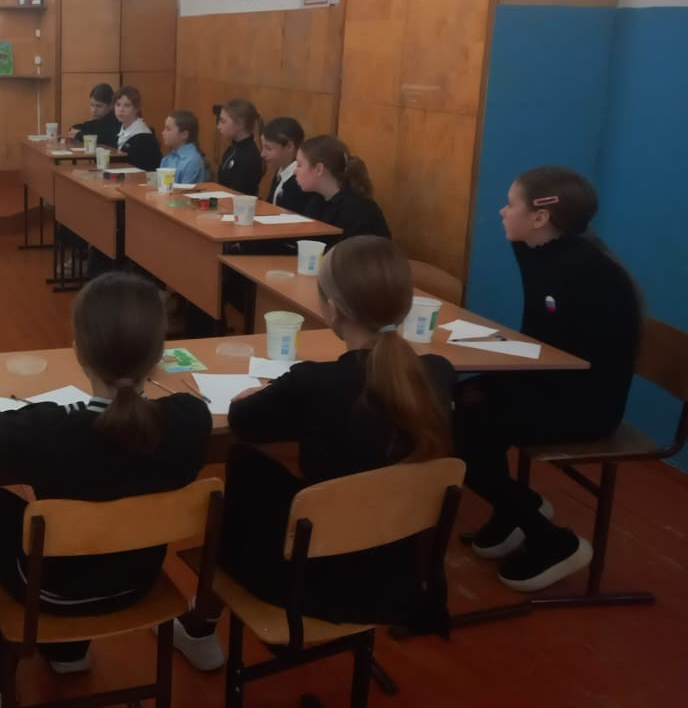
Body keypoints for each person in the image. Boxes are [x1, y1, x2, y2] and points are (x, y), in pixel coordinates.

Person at [172, 236, 455, 670]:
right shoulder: (437, 374)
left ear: (333, 309)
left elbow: (244, 419)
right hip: (394, 576)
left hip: (310, 579)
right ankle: (201, 621)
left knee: (244, 463)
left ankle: (201, 623)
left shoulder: (313, 384)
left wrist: (258, 396)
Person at [0, 273, 212, 707]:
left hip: (52, 591)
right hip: (139, 581)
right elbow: (172, 420)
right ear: (159, 356)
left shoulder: (52, 431)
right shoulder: (189, 421)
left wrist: (54, 411)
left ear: (79, 352)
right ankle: (68, 651)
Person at [454, 167, 641, 592]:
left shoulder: (586, 270)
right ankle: (516, 507)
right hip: (551, 381)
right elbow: (541, 332)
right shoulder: (533, 249)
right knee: (455, 398)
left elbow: (574, 358)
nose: (502, 211)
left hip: (586, 404)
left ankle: (552, 539)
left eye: (511, 204)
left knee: (462, 431)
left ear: (540, 217)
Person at [296, 134, 390, 242]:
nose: (295, 171)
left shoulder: (357, 210)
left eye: (299, 165)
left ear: (319, 169)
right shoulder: (316, 201)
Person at [261, 116, 318, 214]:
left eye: (268, 148)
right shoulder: (280, 171)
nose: (262, 154)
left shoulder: (298, 182)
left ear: (289, 147)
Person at [215, 99, 264, 196]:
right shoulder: (232, 149)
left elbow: (238, 192)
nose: (218, 127)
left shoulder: (249, 156)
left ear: (239, 124)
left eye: (223, 121)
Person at [112, 85, 161, 172]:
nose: (121, 109)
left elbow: (140, 169)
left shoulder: (143, 138)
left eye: (127, 105)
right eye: (118, 105)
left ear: (137, 108)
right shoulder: (118, 131)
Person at [159, 110, 209, 184]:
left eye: (168, 129)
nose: (163, 133)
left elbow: (184, 190)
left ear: (184, 134)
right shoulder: (167, 159)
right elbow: (161, 185)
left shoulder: (192, 160)